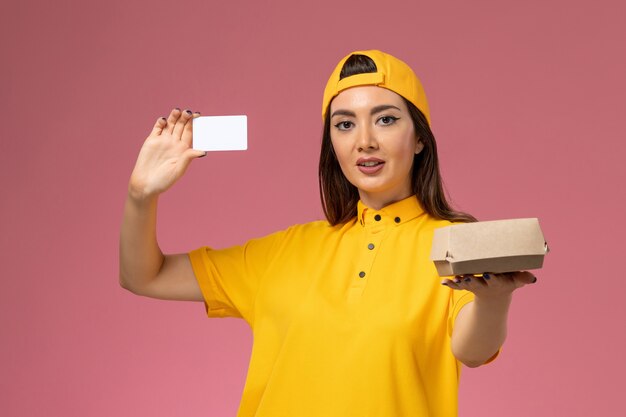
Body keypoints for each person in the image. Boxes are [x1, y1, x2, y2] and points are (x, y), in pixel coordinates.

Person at [119, 50, 537, 417]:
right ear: (331, 145)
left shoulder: (453, 242)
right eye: (344, 125)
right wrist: (141, 195)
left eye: (386, 120)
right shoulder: (286, 251)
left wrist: (494, 298)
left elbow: (473, 350)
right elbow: (144, 276)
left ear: (419, 140)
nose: (365, 141)